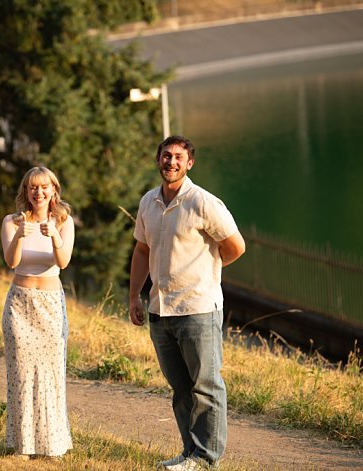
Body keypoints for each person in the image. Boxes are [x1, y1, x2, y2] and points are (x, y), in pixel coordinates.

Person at [129, 136, 246, 471]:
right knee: (181, 389)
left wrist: (205, 272)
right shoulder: (148, 202)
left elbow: (235, 246)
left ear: (190, 163)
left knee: (206, 387)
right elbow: (141, 250)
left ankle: (206, 459)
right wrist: (135, 294)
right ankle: (190, 452)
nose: (171, 162)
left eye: (179, 157)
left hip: (197, 310)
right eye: (166, 156)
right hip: (160, 311)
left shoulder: (204, 203)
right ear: (158, 160)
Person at [0, 166, 75, 459]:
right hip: (19, 303)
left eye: (44, 187)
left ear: (54, 190)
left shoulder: (64, 221)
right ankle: (24, 445)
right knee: (21, 375)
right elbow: (11, 260)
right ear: (26, 192)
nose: (38, 193)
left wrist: (54, 234)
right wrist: (19, 234)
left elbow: (64, 261)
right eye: (32, 187)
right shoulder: (11, 221)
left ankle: (52, 444)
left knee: (52, 374)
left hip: (50, 304)